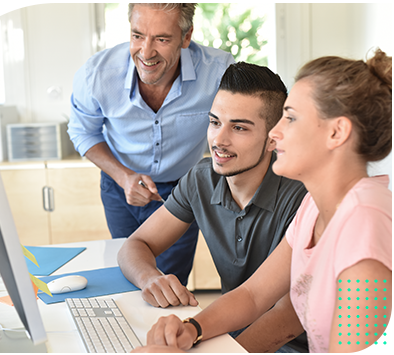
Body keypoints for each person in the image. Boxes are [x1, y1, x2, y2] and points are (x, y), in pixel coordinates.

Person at [136, 49, 392, 353]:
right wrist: (192, 330)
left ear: (336, 133)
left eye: (291, 118)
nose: (276, 132)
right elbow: (253, 295)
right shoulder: (315, 208)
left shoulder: (364, 225)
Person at [119, 61, 308, 352]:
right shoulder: (201, 179)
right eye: (215, 122)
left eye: (239, 128)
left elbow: (288, 318)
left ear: (273, 139)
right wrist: (150, 279)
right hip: (227, 333)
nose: (219, 140)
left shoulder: (302, 197)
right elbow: (137, 244)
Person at [68, 3, 234, 287]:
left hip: (181, 192)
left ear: (186, 37)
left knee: (170, 281)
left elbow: (240, 124)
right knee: (127, 274)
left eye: (162, 39)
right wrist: (124, 177)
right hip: (120, 185)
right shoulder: (97, 74)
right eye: (137, 36)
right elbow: (83, 132)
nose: (146, 52)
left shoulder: (218, 73)